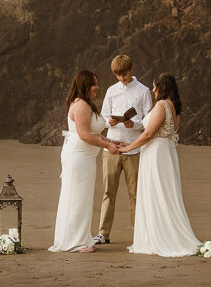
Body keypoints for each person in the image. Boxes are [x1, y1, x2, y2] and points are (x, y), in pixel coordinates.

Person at [121, 73, 201, 257]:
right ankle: (160, 232)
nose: (153, 89)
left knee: (156, 192)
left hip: (156, 153)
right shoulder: (173, 106)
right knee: (163, 192)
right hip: (164, 151)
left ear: (162, 87)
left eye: (155, 86)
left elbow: (149, 134)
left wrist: (129, 148)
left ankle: (159, 237)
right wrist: (129, 145)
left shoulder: (161, 105)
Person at [49, 70, 122, 253]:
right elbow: (84, 135)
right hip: (78, 157)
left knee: (83, 197)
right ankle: (74, 242)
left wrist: (111, 142)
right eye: (94, 84)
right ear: (85, 85)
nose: (97, 87)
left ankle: (80, 237)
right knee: (76, 197)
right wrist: (107, 147)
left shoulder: (85, 104)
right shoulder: (80, 106)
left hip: (86, 157)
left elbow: (94, 133)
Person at [94, 55, 152, 245]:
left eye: (124, 75)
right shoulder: (111, 90)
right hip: (111, 146)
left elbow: (148, 120)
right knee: (108, 192)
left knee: (135, 193)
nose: (121, 79)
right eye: (118, 76)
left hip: (133, 148)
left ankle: (138, 233)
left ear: (131, 70)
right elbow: (103, 115)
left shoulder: (143, 91)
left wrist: (132, 123)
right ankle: (103, 232)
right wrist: (109, 121)